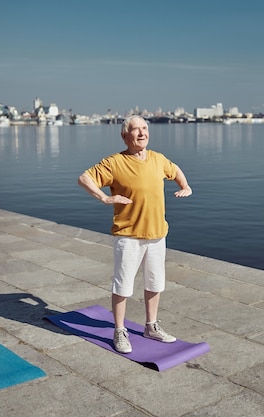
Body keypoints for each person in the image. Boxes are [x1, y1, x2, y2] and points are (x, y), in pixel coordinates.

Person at [78, 115, 192, 354]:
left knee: (155, 282)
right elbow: (84, 178)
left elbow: (176, 169)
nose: (141, 133)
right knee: (123, 286)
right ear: (124, 135)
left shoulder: (158, 159)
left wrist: (185, 186)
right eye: (135, 129)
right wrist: (105, 197)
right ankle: (119, 331)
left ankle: (151, 326)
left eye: (144, 128)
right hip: (128, 236)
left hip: (157, 234)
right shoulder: (115, 162)